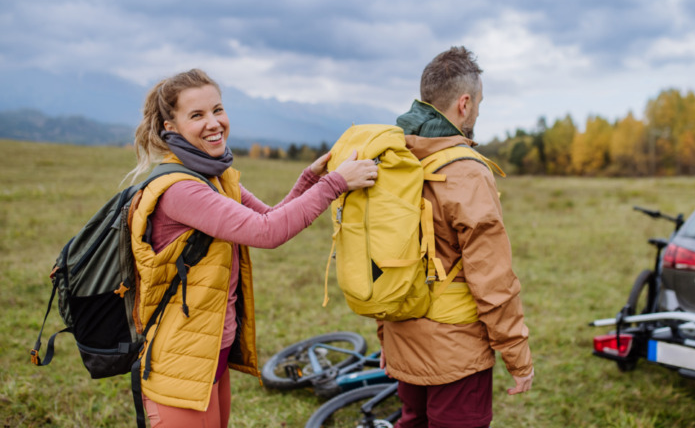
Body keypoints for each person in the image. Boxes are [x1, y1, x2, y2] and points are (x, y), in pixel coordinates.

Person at [127, 68, 378, 428]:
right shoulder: (182, 189)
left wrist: (311, 179)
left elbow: (270, 217)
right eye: (196, 115)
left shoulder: (215, 177)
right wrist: (335, 184)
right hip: (180, 359)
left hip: (211, 349)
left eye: (217, 109)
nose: (214, 123)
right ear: (170, 126)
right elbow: (268, 232)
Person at [378, 46, 534, 428]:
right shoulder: (467, 171)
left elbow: (380, 253)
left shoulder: (392, 158)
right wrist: (518, 356)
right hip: (456, 352)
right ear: (464, 104)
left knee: (412, 421)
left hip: (402, 333)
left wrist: (386, 336)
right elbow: (492, 279)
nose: (478, 111)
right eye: (479, 102)